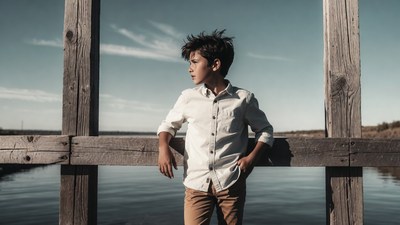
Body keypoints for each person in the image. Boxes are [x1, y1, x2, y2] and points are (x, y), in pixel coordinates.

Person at [157, 30, 274, 225]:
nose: (189, 68)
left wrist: (251, 159)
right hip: (196, 184)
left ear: (215, 64)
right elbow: (168, 125)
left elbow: (265, 131)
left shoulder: (243, 99)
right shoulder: (188, 97)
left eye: (194, 62)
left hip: (230, 184)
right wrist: (163, 149)